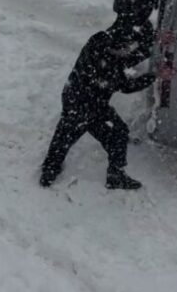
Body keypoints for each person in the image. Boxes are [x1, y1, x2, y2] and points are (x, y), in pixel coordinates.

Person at [40, 23, 156, 189]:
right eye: (125, 49)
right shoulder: (105, 67)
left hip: (86, 98)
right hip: (81, 104)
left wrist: (150, 43)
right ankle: (50, 171)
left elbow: (129, 55)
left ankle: (115, 172)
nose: (128, 51)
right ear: (116, 49)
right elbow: (127, 86)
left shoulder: (100, 40)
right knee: (68, 133)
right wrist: (154, 76)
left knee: (116, 132)